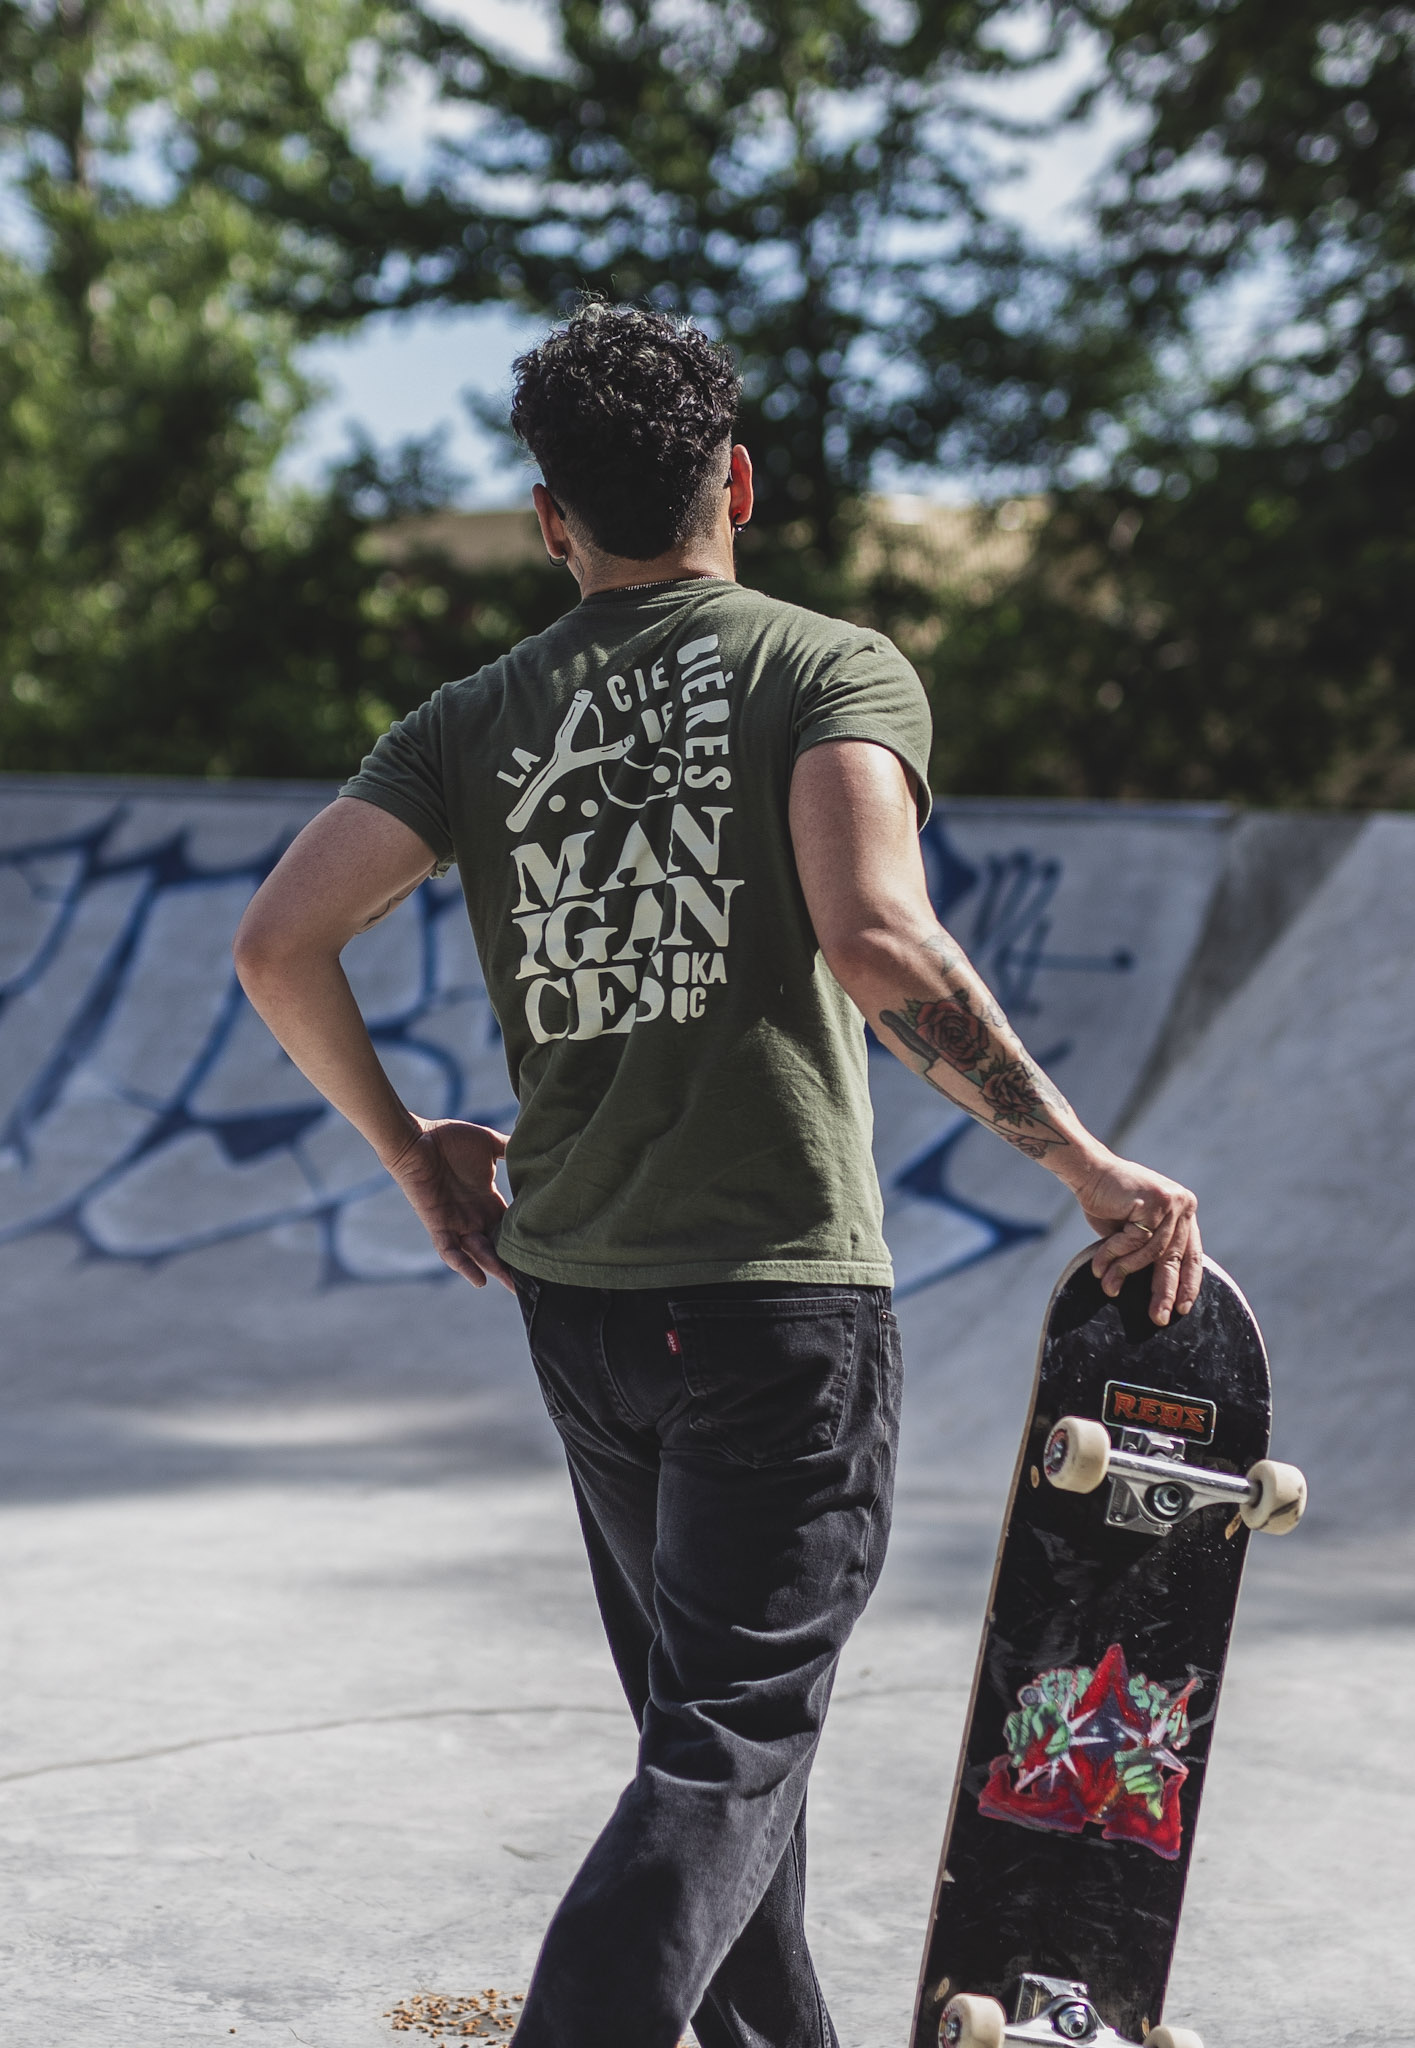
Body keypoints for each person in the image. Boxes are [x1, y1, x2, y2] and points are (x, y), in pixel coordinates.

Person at [233, 303, 1201, 2048]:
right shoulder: (824, 667)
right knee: (730, 1752)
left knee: (720, 1758)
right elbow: (878, 937)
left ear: (552, 519)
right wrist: (1081, 1158)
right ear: (736, 482)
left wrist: (413, 1154)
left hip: (580, 1306)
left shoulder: (474, 717)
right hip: (772, 1309)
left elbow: (277, 942)